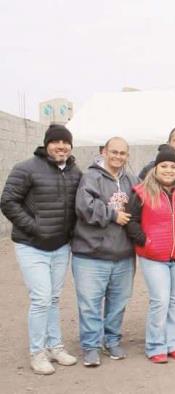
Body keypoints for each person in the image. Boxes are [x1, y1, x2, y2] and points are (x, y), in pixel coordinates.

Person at [1, 124, 82, 375]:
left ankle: (54, 347)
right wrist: (34, 227)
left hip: (60, 246)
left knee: (54, 299)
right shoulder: (26, 168)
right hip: (31, 246)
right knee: (41, 298)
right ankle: (37, 352)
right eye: (56, 142)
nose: (61, 146)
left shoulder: (74, 171)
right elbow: (8, 201)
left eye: (65, 142)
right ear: (47, 144)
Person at [126, 145, 175, 363]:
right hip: (153, 256)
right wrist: (145, 242)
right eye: (164, 166)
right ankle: (156, 345)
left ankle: (173, 343)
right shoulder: (141, 192)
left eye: (173, 166)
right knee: (160, 300)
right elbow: (131, 222)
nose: (169, 170)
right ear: (155, 168)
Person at [71, 137, 138, 367]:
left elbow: (142, 204)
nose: (118, 157)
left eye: (123, 153)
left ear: (127, 156)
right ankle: (90, 346)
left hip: (123, 254)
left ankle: (112, 340)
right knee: (90, 304)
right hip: (91, 254)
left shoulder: (131, 179)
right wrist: (112, 215)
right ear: (104, 152)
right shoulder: (91, 176)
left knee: (118, 303)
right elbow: (84, 206)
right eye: (114, 152)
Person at [139, 127, 175, 340]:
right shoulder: (149, 169)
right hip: (156, 245)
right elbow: (138, 207)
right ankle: (157, 335)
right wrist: (144, 240)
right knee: (161, 295)